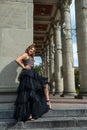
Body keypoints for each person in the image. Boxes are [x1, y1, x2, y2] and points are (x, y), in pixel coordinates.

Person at [14, 43, 51, 121]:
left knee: (44, 85)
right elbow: (17, 60)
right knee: (29, 95)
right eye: (31, 49)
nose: (31, 51)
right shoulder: (25, 54)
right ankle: (29, 114)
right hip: (28, 74)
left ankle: (47, 102)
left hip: (33, 73)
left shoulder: (31, 56)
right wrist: (24, 67)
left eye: (33, 50)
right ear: (28, 49)